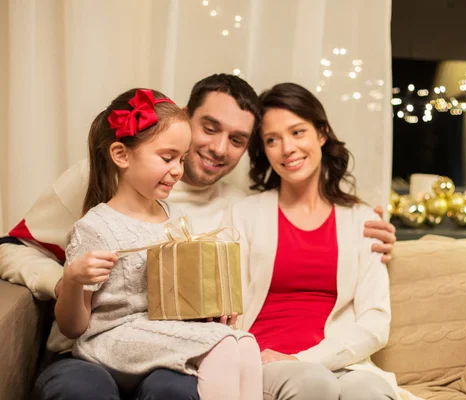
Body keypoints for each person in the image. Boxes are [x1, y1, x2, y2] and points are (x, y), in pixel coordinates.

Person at [0, 74, 397, 400]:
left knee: (177, 388)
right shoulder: (102, 174)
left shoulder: (234, 208)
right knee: (82, 387)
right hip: (89, 346)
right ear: (185, 117)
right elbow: (12, 250)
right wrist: (70, 282)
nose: (219, 148)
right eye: (209, 128)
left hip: (169, 355)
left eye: (238, 140)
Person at [55, 88, 262, 400]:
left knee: (243, 341)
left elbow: (180, 297)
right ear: (121, 155)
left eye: (181, 158)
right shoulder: (95, 227)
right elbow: (74, 328)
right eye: (167, 158)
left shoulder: (175, 217)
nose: (178, 170)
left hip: (158, 333)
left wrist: (212, 308)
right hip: (111, 341)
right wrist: (72, 278)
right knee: (220, 346)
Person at [225, 83, 408, 400]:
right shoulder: (243, 215)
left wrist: (305, 359)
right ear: (264, 151)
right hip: (264, 361)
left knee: (370, 393)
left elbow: (375, 323)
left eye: (297, 132)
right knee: (312, 383)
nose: (287, 148)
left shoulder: (363, 220)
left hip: (341, 363)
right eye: (272, 140)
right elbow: (225, 307)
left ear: (321, 134)